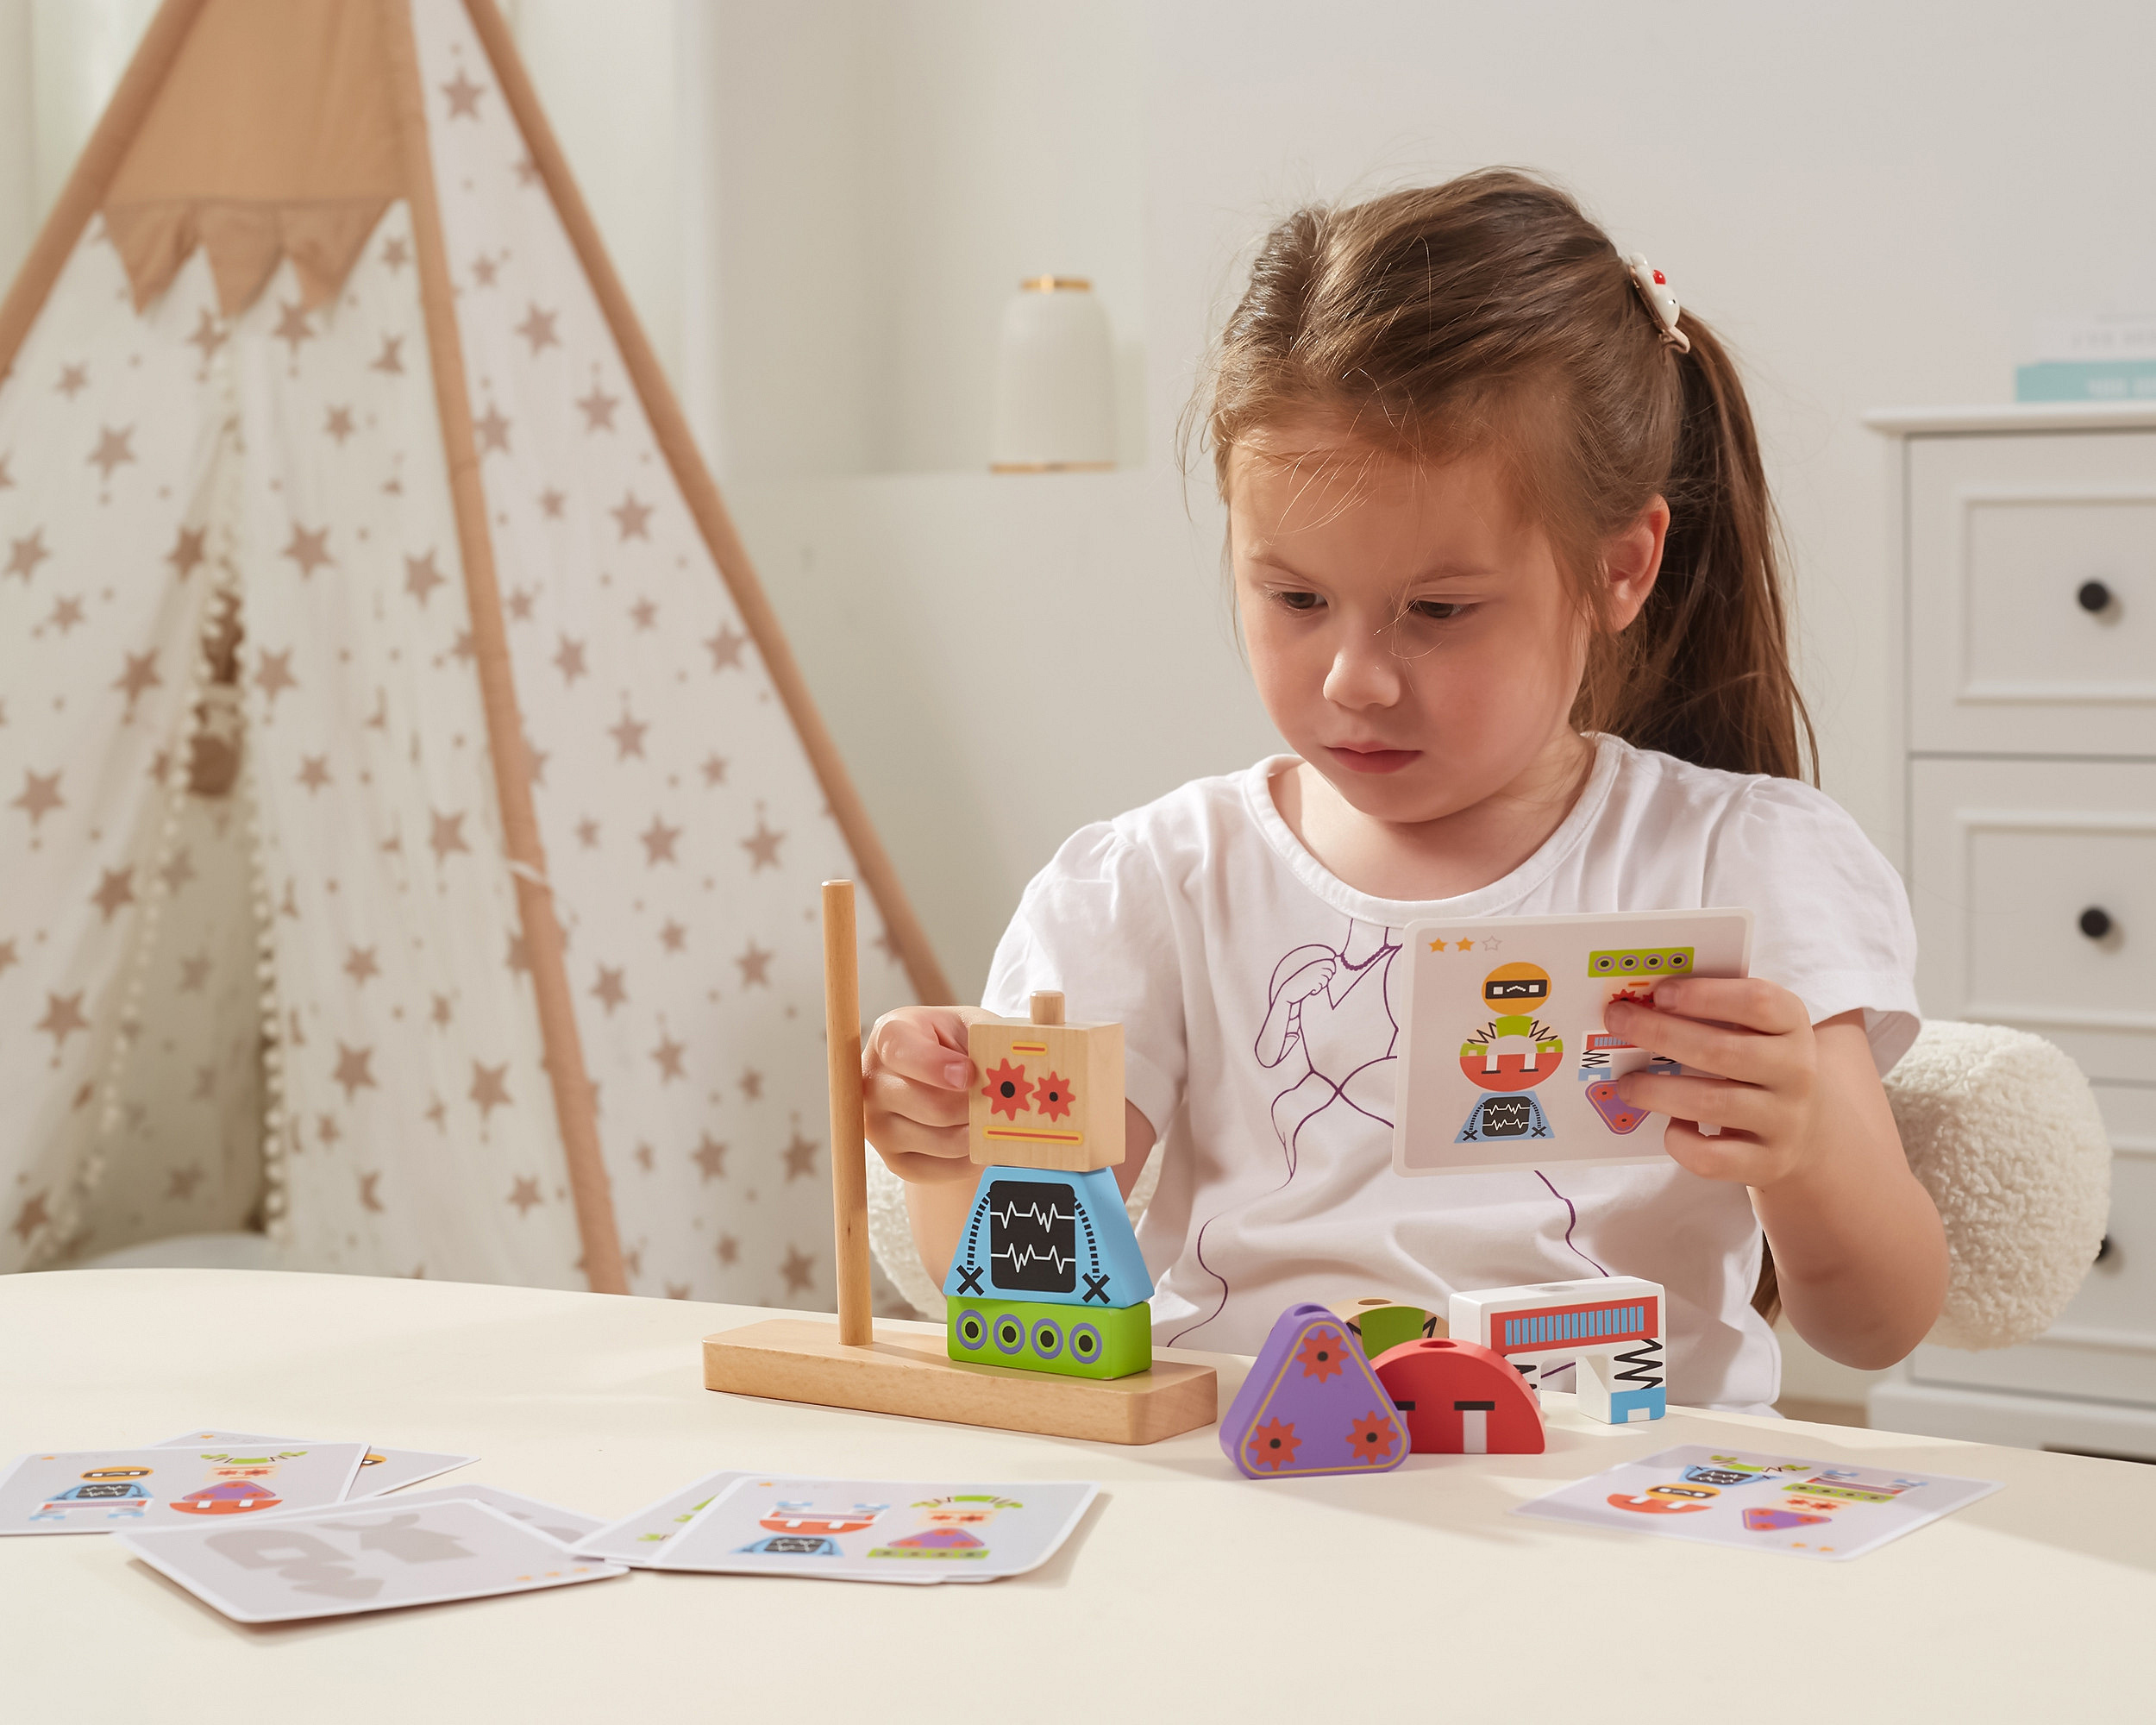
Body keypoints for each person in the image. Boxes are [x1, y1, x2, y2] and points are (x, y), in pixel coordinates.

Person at [862, 170, 1945, 1412]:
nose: (1355, 678)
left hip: (1612, 1494)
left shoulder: (1741, 865)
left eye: (1437, 610)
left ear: (1621, 569)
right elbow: (1002, 1268)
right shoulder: (1158, 883)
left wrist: (1807, 1151)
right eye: (1295, 597)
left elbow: (1876, 1324)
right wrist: (950, 1145)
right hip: (1255, 1477)